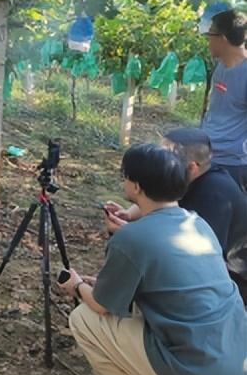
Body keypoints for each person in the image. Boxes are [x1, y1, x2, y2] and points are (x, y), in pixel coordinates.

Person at [58, 144, 246, 375]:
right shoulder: (196, 222)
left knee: (84, 319)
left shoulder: (132, 238)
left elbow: (101, 306)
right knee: (182, 313)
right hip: (237, 369)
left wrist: (77, 286)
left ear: (135, 186)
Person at [104, 127, 247, 304]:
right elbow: (161, 197)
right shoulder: (190, 177)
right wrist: (129, 214)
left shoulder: (214, 195)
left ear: (192, 167)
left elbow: (188, 256)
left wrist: (130, 234)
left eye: (166, 158)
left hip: (226, 285)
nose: (158, 162)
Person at [200, 8, 247, 190]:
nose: (208, 41)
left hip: (232, 164)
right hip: (207, 154)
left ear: (223, 38)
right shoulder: (220, 65)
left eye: (210, 35)